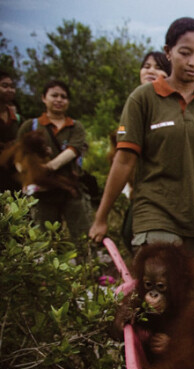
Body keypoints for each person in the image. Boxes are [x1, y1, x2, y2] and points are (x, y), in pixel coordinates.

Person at [89, 17, 194, 265]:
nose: (193, 62)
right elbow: (124, 161)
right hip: (156, 213)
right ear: (168, 52)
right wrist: (101, 217)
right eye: (185, 53)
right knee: (162, 292)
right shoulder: (142, 99)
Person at [108, 51, 171, 251]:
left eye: (158, 67)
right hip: (140, 189)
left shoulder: (169, 106)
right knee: (129, 235)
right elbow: (123, 153)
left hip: (164, 189)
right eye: (146, 66)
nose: (150, 70)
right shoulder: (134, 102)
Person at [15, 80, 93, 241]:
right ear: (44, 98)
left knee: (82, 238)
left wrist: (48, 167)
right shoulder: (31, 125)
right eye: (54, 95)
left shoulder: (75, 127)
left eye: (63, 97)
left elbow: (73, 150)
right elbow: (18, 153)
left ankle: (86, 265)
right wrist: (27, 174)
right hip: (42, 194)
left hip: (71, 189)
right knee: (46, 241)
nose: (59, 100)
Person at [0, 71, 22, 193]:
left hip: (13, 177)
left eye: (12, 87)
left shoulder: (17, 119)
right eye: (4, 86)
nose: (10, 90)